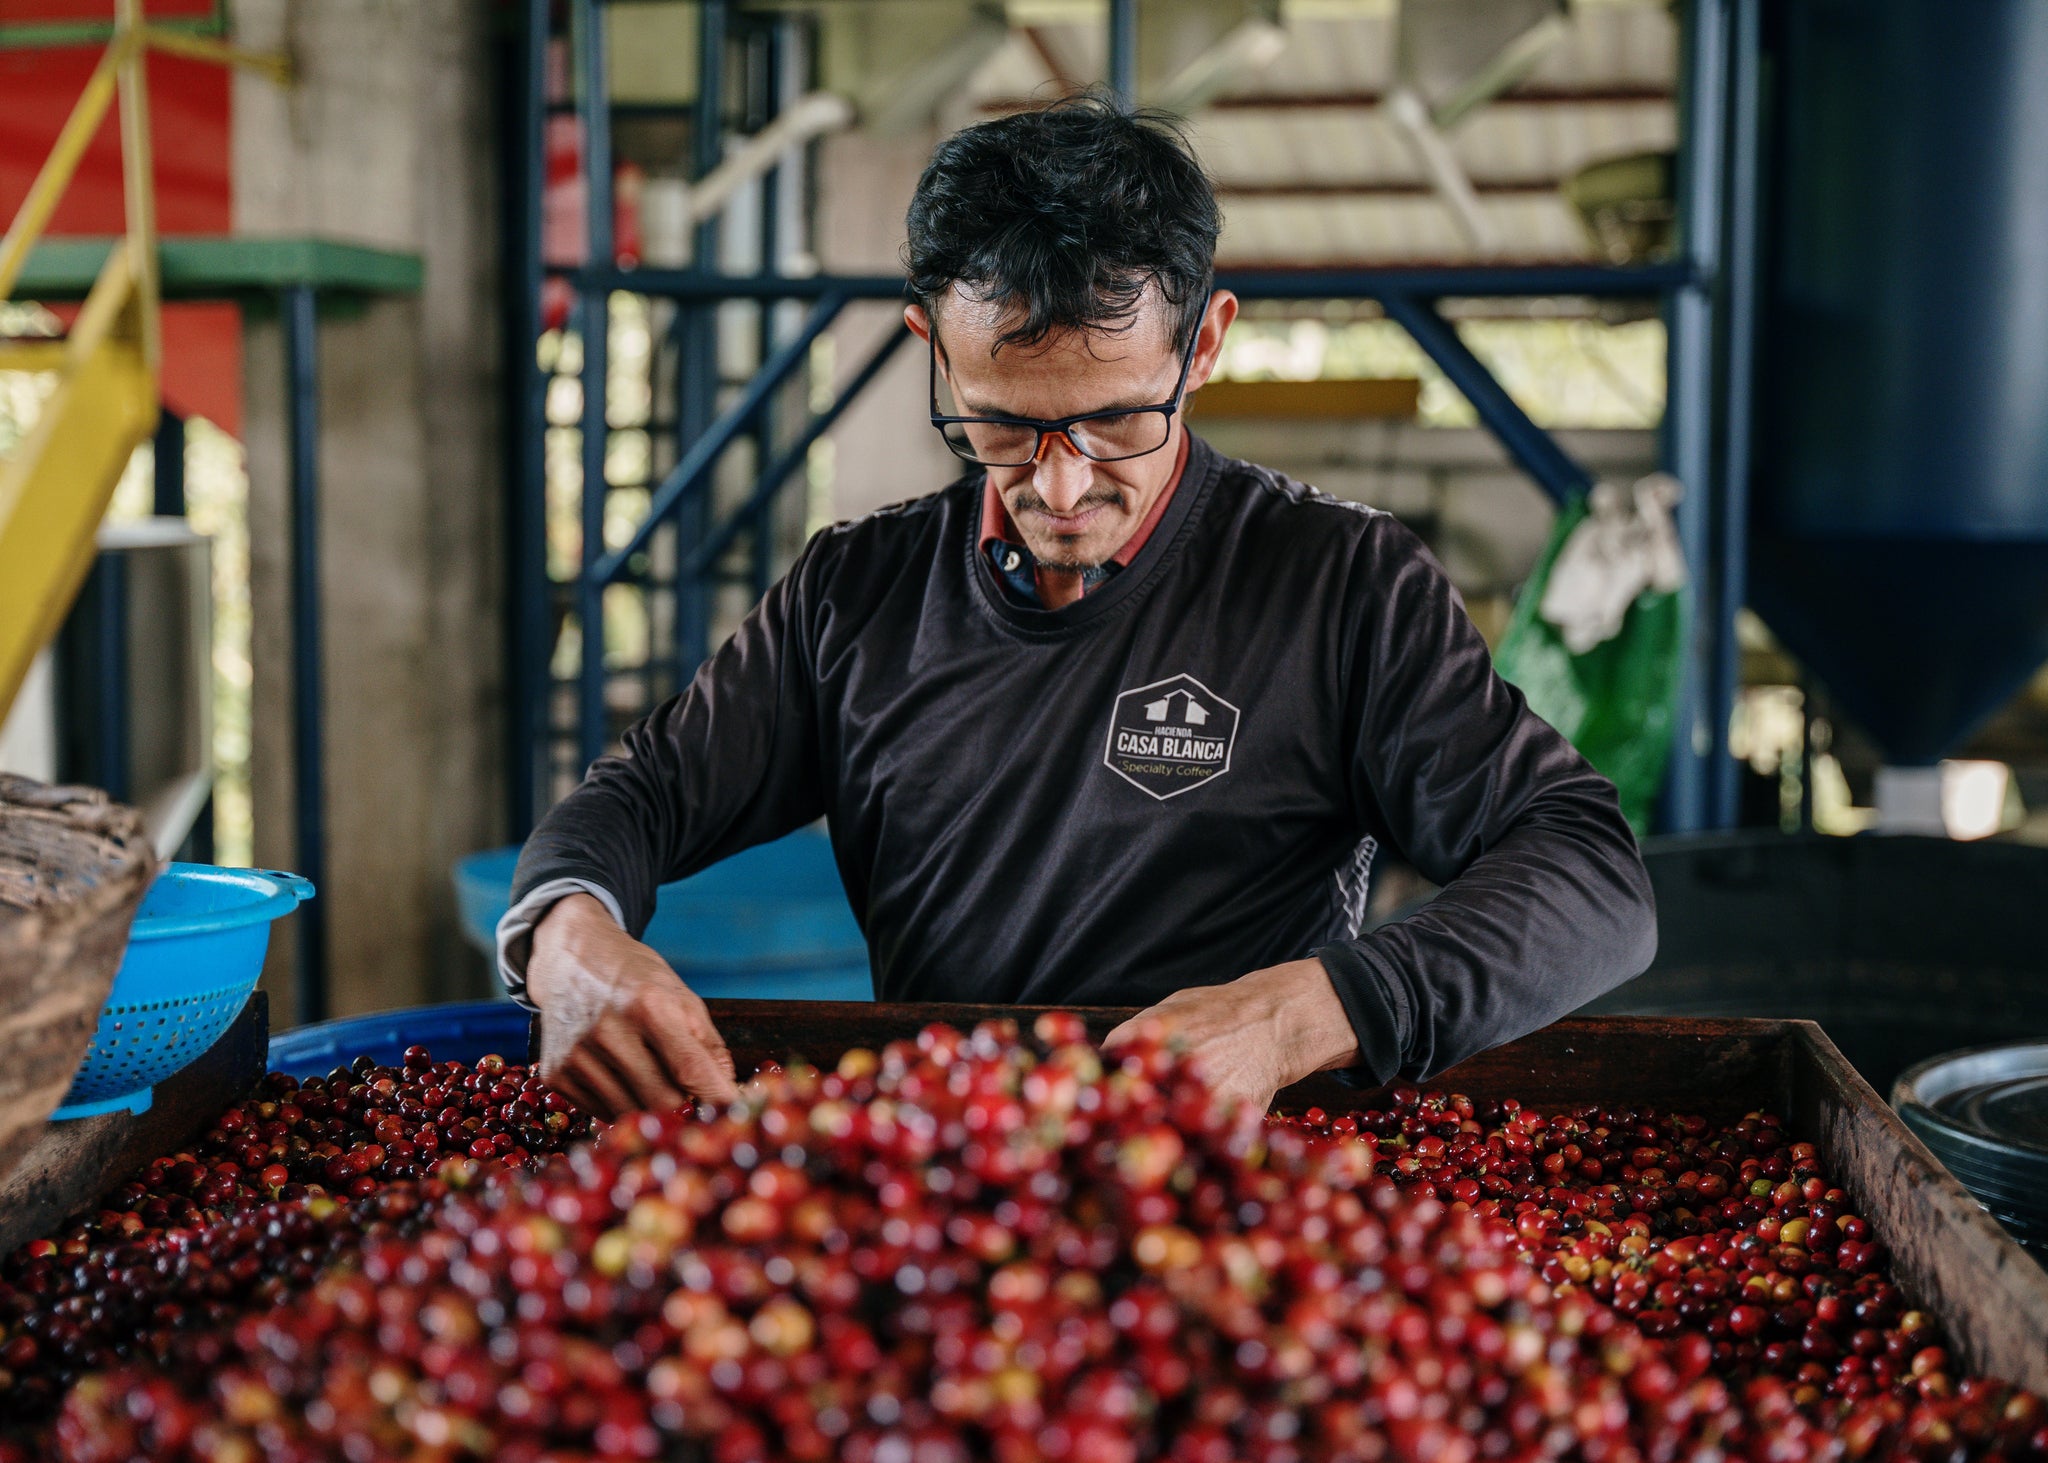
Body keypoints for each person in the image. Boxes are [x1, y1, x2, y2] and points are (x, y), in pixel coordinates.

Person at [498, 93, 1657, 1120]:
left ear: (1201, 343)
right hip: (940, 1194)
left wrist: (1297, 1015)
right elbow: (644, 794)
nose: (1058, 486)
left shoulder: (1337, 585)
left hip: (1235, 1199)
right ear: (931, 351)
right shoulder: (852, 594)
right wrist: (566, 932)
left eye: (1112, 422)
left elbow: (1589, 875)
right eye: (1000, 424)